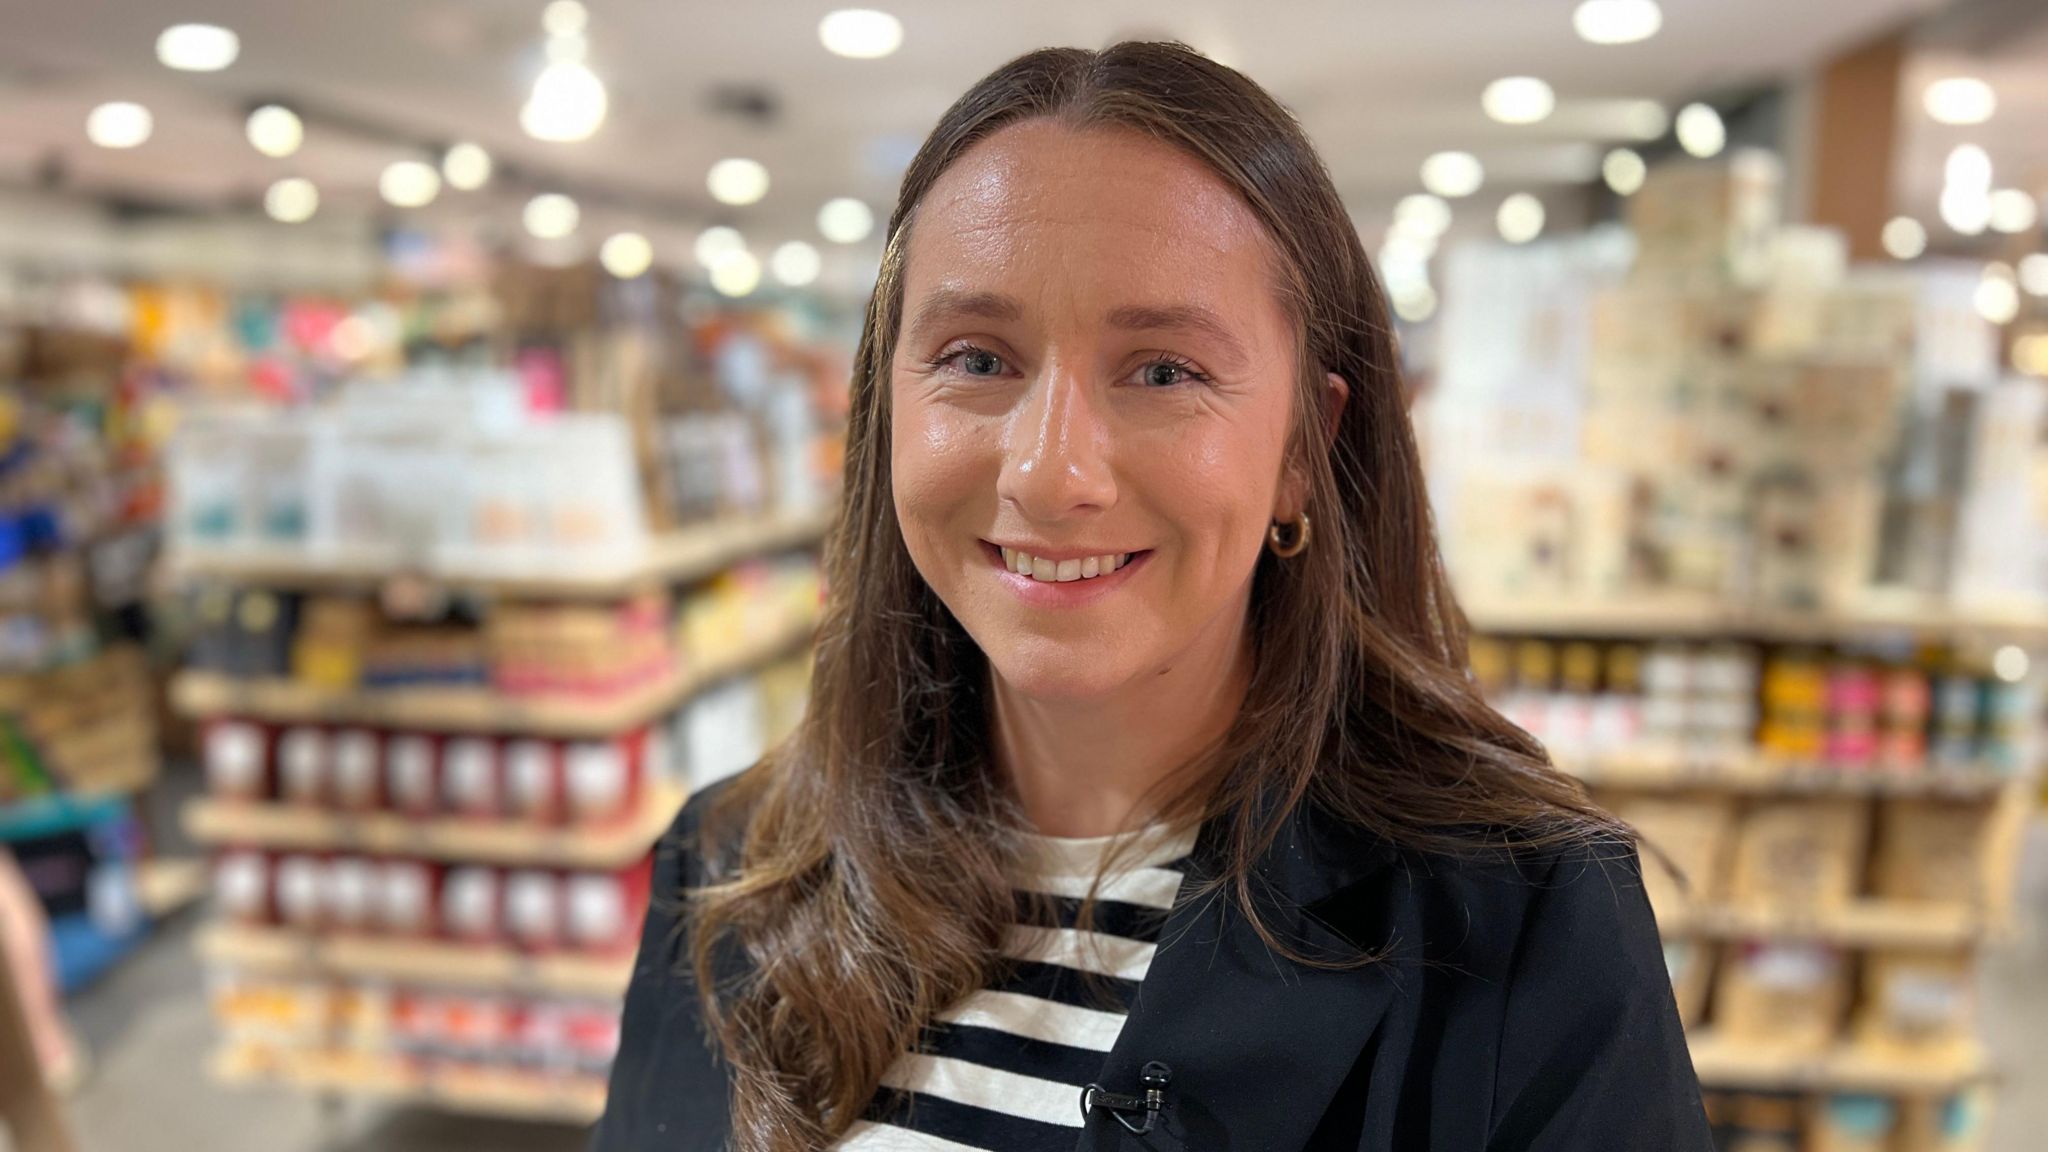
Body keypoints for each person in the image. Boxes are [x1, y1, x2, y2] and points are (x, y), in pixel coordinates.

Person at [595, 40, 1710, 1152]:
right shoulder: (734, 867)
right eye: (977, 359)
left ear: (1298, 447)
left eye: (1163, 371)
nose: (1047, 473)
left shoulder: (1517, 926)